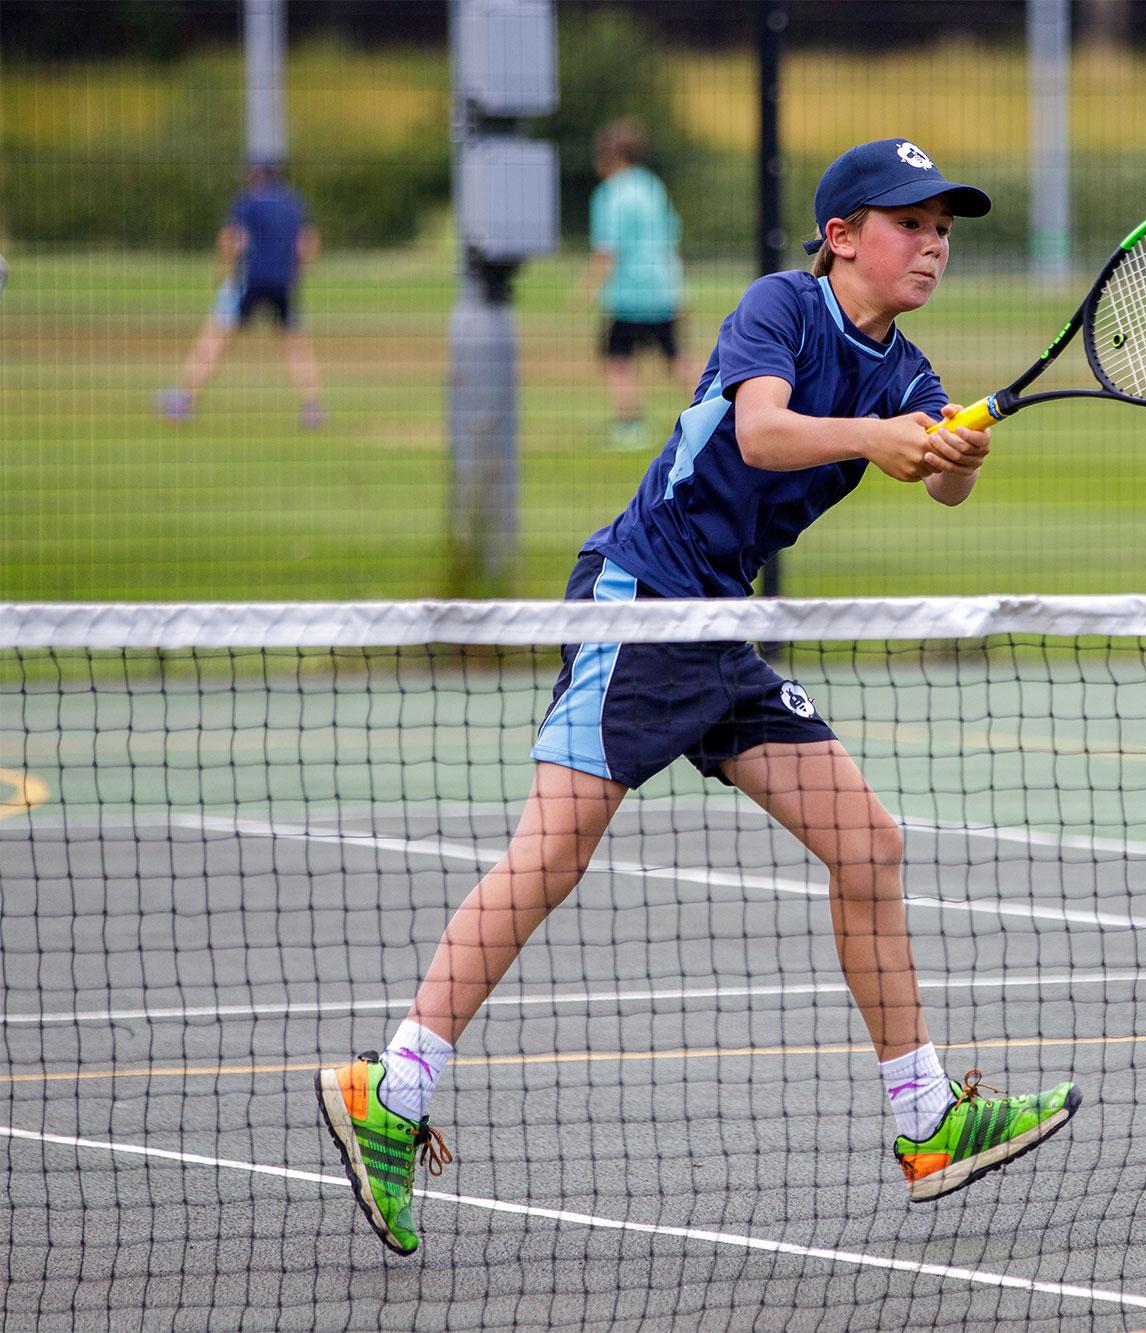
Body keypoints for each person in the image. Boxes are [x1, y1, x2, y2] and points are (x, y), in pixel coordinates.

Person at [316, 138, 1084, 1255]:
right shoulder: (779, 308)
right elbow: (759, 431)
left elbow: (949, 488)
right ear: (841, 236)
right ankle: (390, 1088)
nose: (932, 244)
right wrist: (877, 437)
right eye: (910, 223)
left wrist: (953, 444)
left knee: (867, 845)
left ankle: (926, 1122)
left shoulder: (905, 368)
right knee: (552, 853)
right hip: (643, 597)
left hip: (719, 623)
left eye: (944, 229)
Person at [157, 161, 324, 429]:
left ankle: (184, 400)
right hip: (284, 283)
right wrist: (302, 270)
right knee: (295, 345)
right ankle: (312, 408)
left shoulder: (249, 202)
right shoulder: (294, 203)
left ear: (258, 176)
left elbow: (230, 238)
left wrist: (226, 269)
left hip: (249, 281)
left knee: (214, 338)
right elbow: (308, 241)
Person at [573, 118, 696, 450]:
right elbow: (672, 238)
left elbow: (607, 249)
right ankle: (715, 408)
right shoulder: (653, 186)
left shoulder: (611, 193)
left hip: (629, 293)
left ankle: (629, 424)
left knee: (619, 358)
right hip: (663, 288)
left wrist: (587, 288)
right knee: (675, 357)